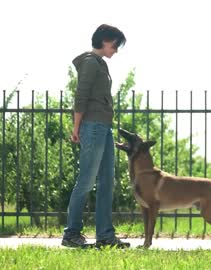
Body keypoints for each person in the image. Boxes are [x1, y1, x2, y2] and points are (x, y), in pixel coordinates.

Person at [62, 24, 129, 248]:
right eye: (115, 45)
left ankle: (105, 236)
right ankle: (71, 234)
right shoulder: (91, 62)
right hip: (92, 126)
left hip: (104, 127)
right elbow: (81, 96)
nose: (116, 50)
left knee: (107, 182)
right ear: (105, 40)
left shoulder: (99, 64)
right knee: (87, 181)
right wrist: (76, 127)